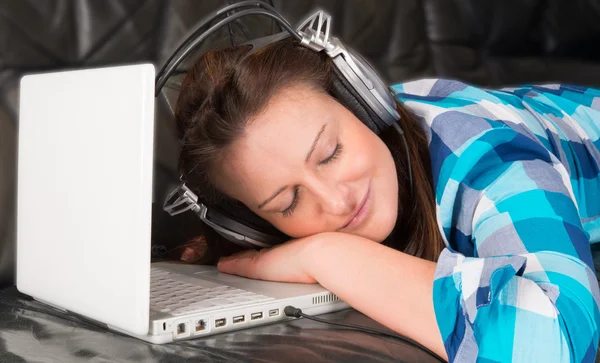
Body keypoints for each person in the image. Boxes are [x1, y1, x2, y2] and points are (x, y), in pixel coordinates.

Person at [173, 36, 600, 362]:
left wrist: (326, 255)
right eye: (287, 202)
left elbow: (556, 342)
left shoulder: (489, 154)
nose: (336, 202)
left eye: (330, 153)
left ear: (366, 105)